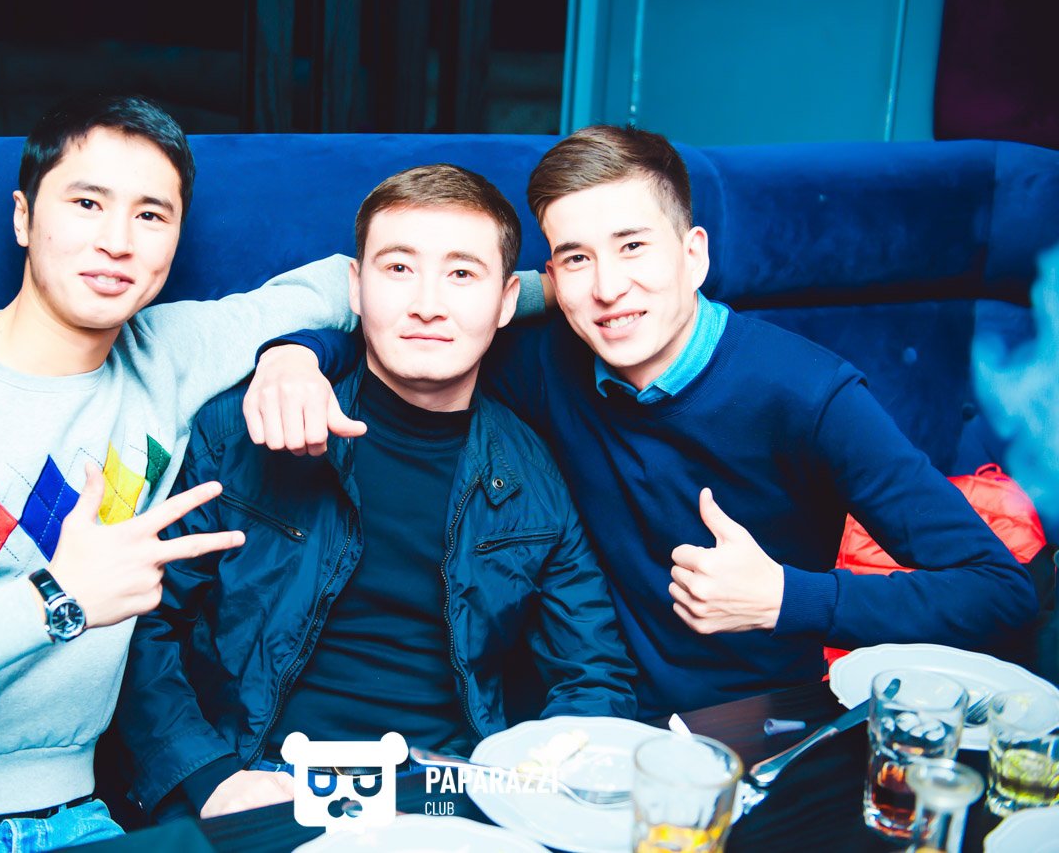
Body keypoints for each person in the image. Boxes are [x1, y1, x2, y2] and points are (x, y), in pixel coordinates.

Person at [244, 126, 1039, 720]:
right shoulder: (540, 361)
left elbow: (999, 594)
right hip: (580, 719)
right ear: (550, 277)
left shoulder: (809, 396)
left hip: (756, 724)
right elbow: (417, 329)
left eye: (633, 247)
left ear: (693, 256)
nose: (608, 287)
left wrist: (787, 598)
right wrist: (295, 355)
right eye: (577, 258)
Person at [0, 95, 356, 850]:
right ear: (24, 218)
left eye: (151, 215)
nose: (117, 241)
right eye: (86, 203)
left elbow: (351, 284)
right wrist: (54, 599)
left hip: (76, 814)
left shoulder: (167, 355)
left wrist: (294, 354)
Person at [115, 164, 638, 822]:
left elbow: (594, 672)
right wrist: (211, 777)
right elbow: (140, 623)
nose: (427, 304)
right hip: (258, 782)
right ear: (355, 287)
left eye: (462, 274)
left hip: (449, 795)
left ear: (507, 301)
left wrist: (538, 789)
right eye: (398, 269)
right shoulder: (240, 430)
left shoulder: (532, 476)